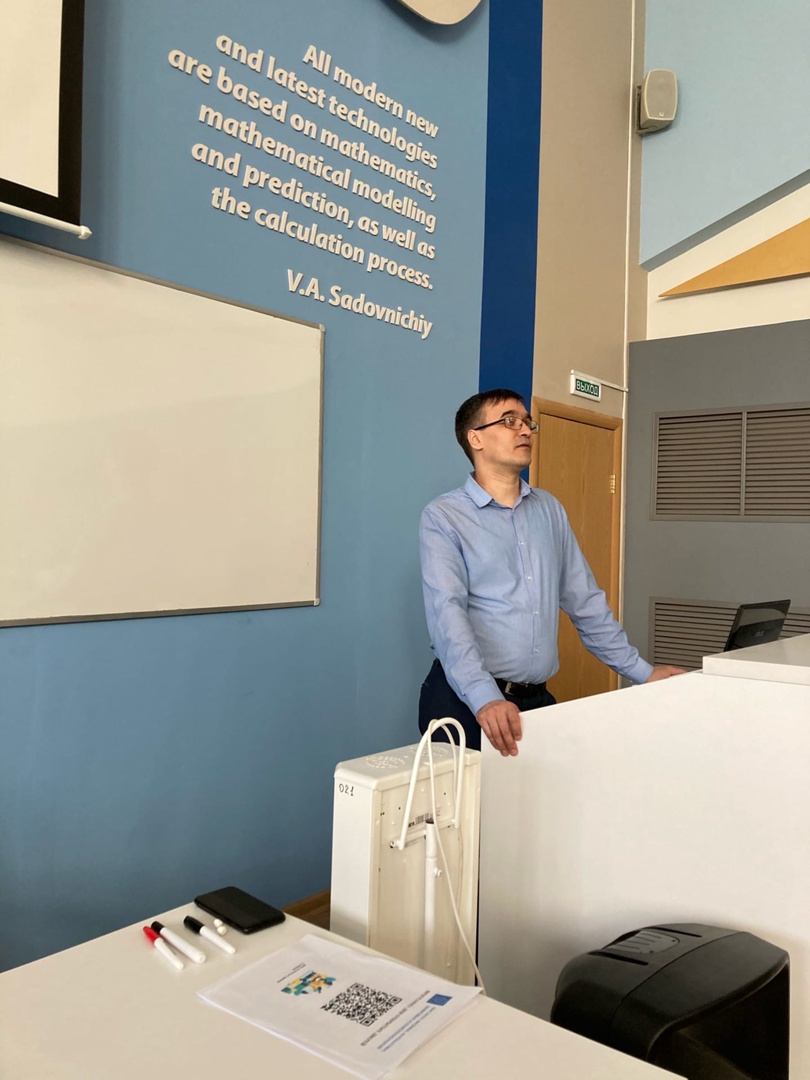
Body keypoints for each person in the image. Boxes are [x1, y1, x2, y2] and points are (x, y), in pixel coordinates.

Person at [419, 388, 684, 757]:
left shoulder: (549, 510)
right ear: (475, 438)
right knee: (468, 799)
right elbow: (448, 617)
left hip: (535, 704)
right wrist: (484, 698)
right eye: (509, 421)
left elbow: (585, 603)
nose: (524, 429)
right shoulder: (444, 516)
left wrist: (642, 672)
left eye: (527, 422)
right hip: (468, 704)